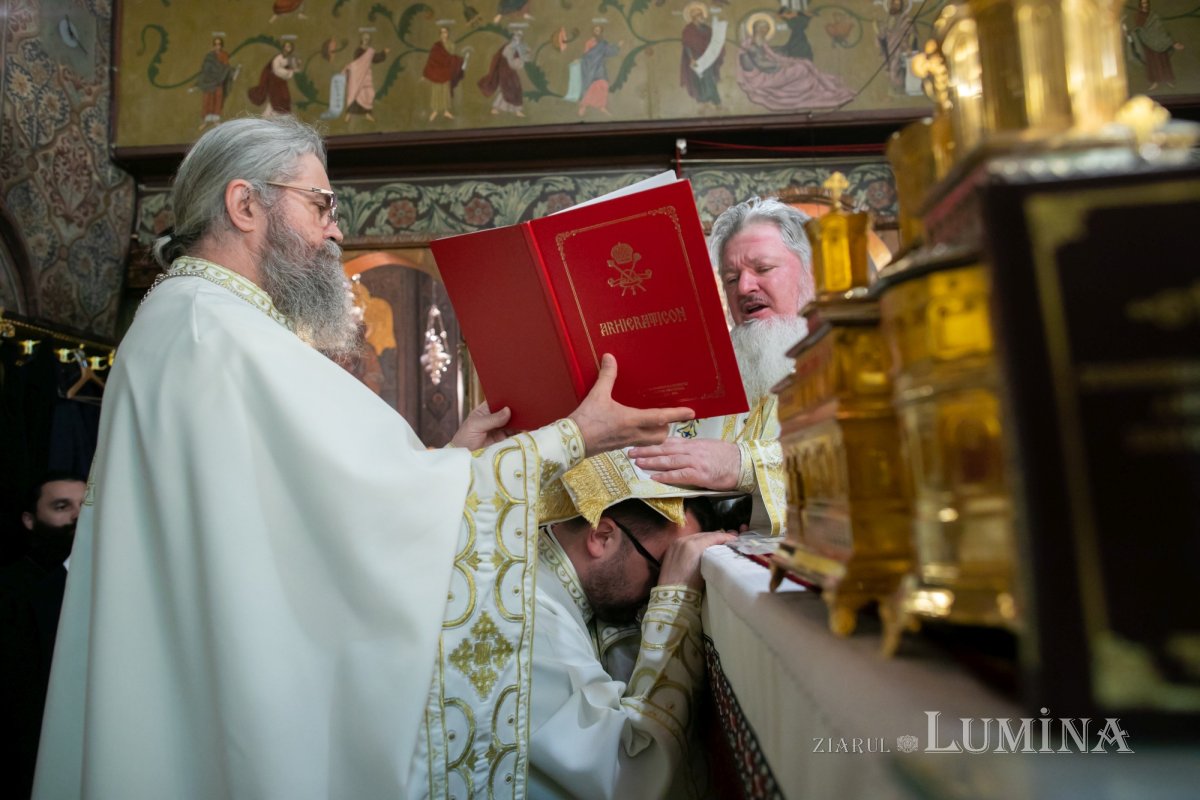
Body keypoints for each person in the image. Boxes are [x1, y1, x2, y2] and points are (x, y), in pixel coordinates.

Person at [32, 116, 692, 799]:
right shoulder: (218, 332)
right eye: (321, 205)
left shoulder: (190, 319)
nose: (335, 231)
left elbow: (315, 508)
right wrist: (573, 436)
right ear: (244, 204)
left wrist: (451, 458)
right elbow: (369, 510)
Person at [530, 452, 735, 798]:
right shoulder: (534, 617)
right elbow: (630, 769)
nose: (656, 591)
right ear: (602, 535)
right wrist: (675, 599)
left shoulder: (549, 582)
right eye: (661, 568)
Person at [630, 197, 814, 536]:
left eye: (763, 269)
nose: (744, 287)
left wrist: (745, 466)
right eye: (731, 278)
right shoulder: (704, 376)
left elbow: (870, 460)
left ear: (810, 272)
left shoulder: (861, 357)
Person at [1, 472, 86, 799]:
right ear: (30, 520)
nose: (78, 514)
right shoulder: (12, 590)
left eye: (85, 504)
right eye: (62, 506)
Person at [735, 16, 855, 112]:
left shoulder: (761, 44)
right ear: (757, 29)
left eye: (766, 29)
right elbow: (762, 64)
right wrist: (780, 65)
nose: (765, 32)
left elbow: (770, 54)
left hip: (771, 71)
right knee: (801, 69)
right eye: (763, 29)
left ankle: (822, 86)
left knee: (803, 64)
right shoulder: (751, 47)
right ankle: (823, 87)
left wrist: (783, 59)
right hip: (763, 79)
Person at [1127, 0, 1185, 91]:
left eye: (1146, 3)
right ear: (1140, 5)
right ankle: (1155, 82)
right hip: (1147, 42)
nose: (1145, 5)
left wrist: (1167, 41)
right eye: (1143, 4)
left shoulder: (1154, 15)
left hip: (1159, 40)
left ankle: (1167, 80)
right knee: (1153, 63)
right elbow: (1139, 29)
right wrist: (1135, 32)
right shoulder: (1138, 15)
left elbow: (1159, 28)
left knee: (1163, 61)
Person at [680, 2, 723, 111]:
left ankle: (715, 101)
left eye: (702, 14)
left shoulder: (707, 29)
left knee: (710, 78)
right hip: (696, 58)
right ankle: (704, 102)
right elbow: (687, 45)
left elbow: (714, 41)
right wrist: (691, 59)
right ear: (694, 17)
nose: (702, 17)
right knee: (700, 80)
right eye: (699, 15)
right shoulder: (688, 30)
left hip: (708, 58)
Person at [478, 29, 531, 116]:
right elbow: (512, 63)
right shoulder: (509, 47)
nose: (517, 41)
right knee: (508, 88)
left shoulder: (517, 48)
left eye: (518, 39)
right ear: (513, 39)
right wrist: (522, 58)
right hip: (505, 71)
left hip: (509, 71)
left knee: (511, 88)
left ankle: (513, 110)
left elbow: (518, 63)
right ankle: (500, 109)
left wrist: (525, 56)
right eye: (515, 39)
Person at [571, 25, 621, 117]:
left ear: (601, 32)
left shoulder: (603, 43)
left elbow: (609, 52)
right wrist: (580, 60)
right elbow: (587, 55)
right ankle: (583, 105)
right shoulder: (589, 42)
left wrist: (617, 46)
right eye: (595, 30)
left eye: (598, 30)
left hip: (600, 67)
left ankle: (601, 106)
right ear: (593, 32)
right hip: (590, 67)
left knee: (604, 84)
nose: (596, 32)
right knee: (589, 86)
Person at [192, 37, 239, 131]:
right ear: (213, 45)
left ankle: (216, 120)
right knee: (207, 99)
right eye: (216, 44)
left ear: (221, 45)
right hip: (209, 81)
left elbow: (226, 67)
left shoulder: (224, 55)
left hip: (219, 81)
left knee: (218, 99)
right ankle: (205, 121)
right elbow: (205, 68)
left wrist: (232, 73)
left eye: (219, 44)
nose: (218, 46)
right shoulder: (209, 56)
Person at [342, 31, 389, 122]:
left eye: (367, 38)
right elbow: (358, 63)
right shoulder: (358, 50)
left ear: (369, 40)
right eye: (364, 38)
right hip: (358, 75)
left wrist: (384, 52)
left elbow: (376, 59)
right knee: (356, 93)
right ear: (361, 40)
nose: (366, 40)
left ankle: (367, 113)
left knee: (368, 93)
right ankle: (349, 114)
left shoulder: (370, 51)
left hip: (366, 75)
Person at [423, 26, 466, 121]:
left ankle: (446, 111)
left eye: (445, 32)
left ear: (448, 33)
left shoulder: (451, 45)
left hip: (446, 71)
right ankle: (435, 110)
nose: (444, 34)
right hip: (437, 72)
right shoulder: (436, 46)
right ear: (440, 34)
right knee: (436, 91)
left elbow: (450, 58)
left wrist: (459, 61)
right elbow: (432, 59)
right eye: (442, 32)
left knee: (445, 91)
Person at [247, 40, 300, 116]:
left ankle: (269, 114)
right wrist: (289, 72)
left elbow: (294, 68)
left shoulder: (290, 58)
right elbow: (276, 69)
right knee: (278, 97)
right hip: (274, 80)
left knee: (283, 97)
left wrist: (294, 68)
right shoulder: (278, 58)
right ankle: (273, 115)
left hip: (281, 81)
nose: (288, 48)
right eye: (287, 46)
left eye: (289, 47)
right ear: (284, 48)